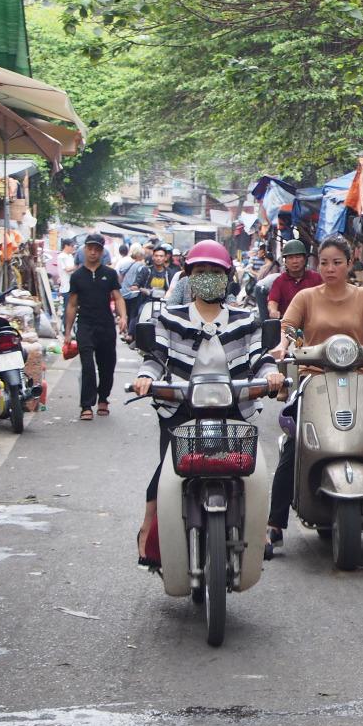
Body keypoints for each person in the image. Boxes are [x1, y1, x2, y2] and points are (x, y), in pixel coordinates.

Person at [266, 234, 363, 554]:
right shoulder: (306, 297)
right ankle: (274, 525)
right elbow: (290, 328)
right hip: (315, 380)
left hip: (361, 378)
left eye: (337, 262)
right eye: (324, 262)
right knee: (294, 444)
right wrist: (283, 345)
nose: (330, 268)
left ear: (350, 264)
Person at [131, 241, 283, 565]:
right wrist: (145, 377)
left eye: (215, 272)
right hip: (181, 407)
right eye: (201, 272)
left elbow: (260, 356)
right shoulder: (170, 317)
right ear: (188, 276)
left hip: (233, 406)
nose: (208, 277)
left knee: (252, 470)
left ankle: (259, 532)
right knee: (167, 471)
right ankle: (149, 530)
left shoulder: (245, 319)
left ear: (227, 277)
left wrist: (271, 375)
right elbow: (156, 357)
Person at [64, 233, 130, 420]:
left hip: (106, 325)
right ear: (84, 249)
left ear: (102, 252)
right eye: (90, 248)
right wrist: (68, 332)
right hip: (85, 325)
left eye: (97, 249)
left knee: (107, 366)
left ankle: (103, 398)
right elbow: (72, 304)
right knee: (87, 366)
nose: (93, 252)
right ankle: (86, 405)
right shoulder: (77, 276)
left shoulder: (109, 274)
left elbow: (118, 297)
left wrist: (123, 316)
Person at [266, 239, 322, 319]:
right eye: (290, 258)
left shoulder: (316, 278)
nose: (295, 261)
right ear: (285, 261)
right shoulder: (280, 281)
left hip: (313, 322)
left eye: (298, 257)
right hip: (288, 324)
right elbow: (273, 301)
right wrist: (273, 311)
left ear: (305, 259)